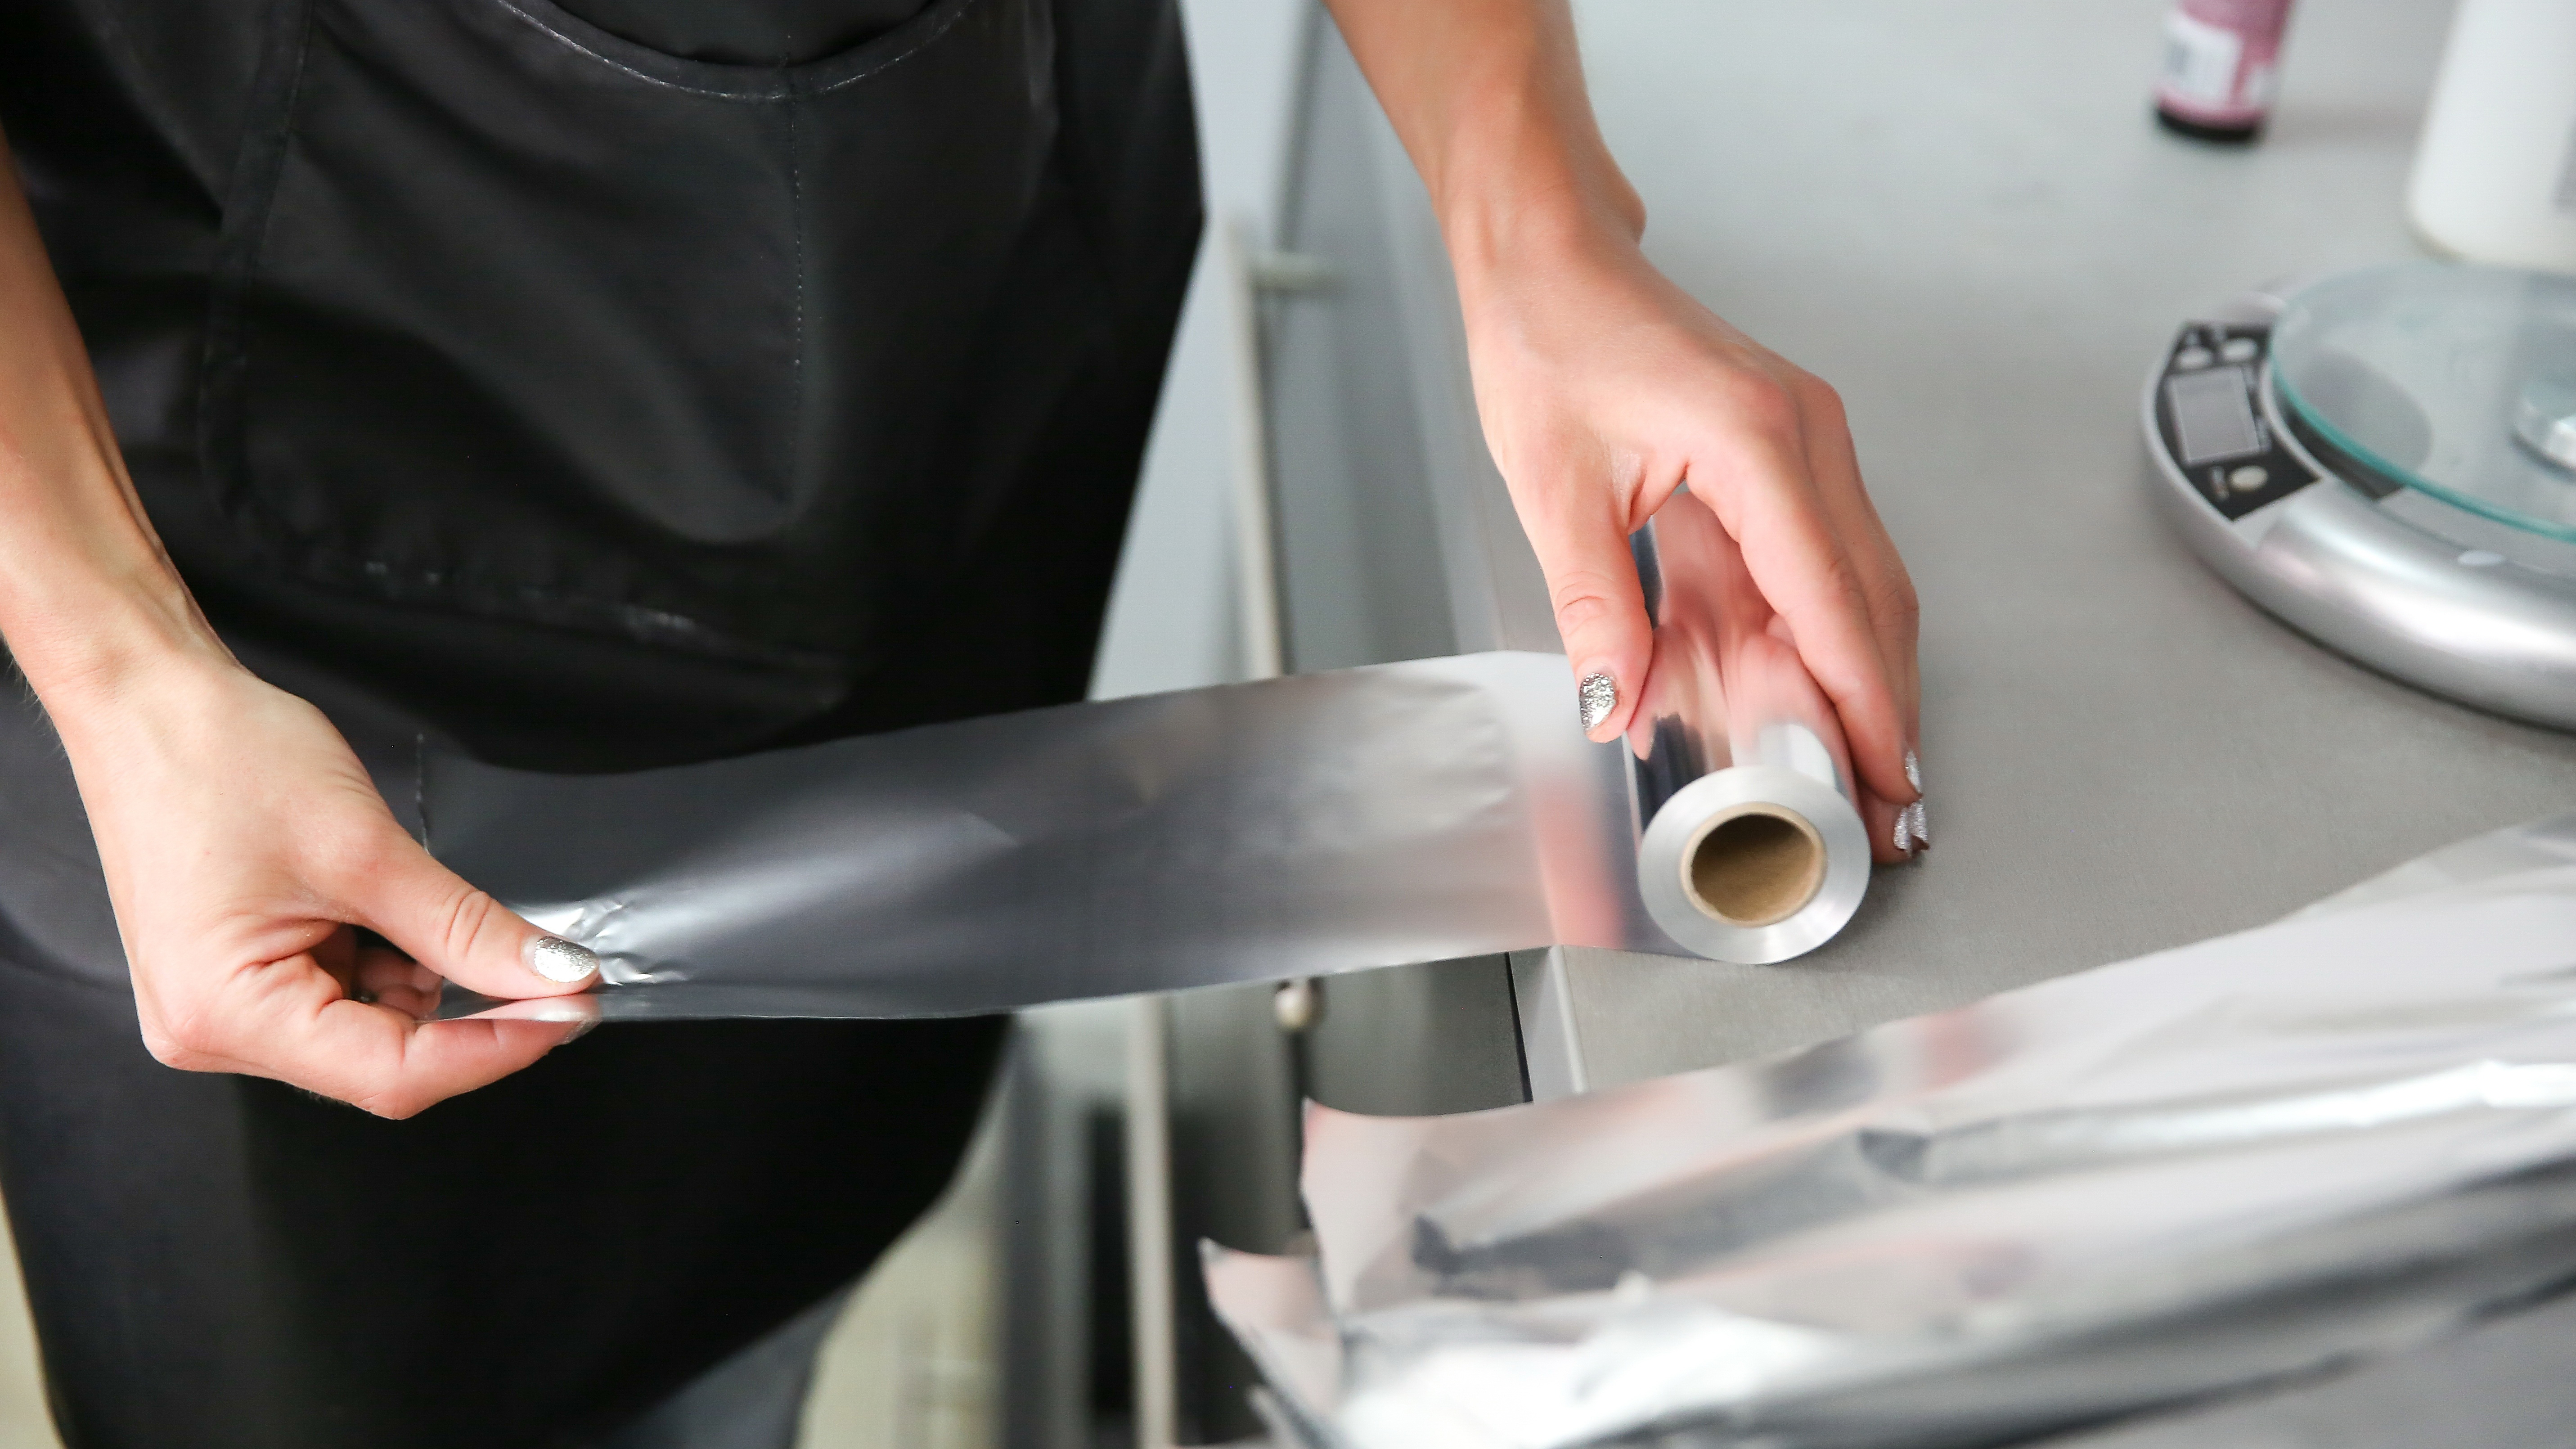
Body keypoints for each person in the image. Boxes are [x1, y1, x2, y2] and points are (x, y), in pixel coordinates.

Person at [0, 0, 1921, 1444]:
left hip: (923, 328)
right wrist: (123, 667)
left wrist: (1536, 227)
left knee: (738, 1306)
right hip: (221, 606)